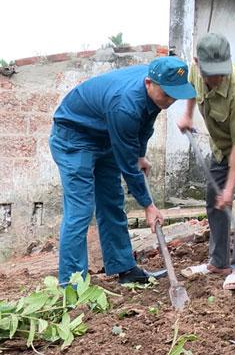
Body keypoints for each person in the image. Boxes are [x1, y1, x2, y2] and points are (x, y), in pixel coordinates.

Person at [50, 56, 196, 284]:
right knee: (81, 210)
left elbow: (145, 124)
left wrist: (140, 155)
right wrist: (148, 205)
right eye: (167, 94)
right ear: (149, 82)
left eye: (175, 94)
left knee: (112, 201)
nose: (170, 100)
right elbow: (127, 165)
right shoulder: (125, 104)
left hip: (104, 134)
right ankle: (71, 283)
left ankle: (125, 268)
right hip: (74, 137)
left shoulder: (156, 91)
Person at [176, 33, 235, 290]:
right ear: (197, 62)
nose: (216, 78)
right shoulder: (196, 72)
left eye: (221, 72)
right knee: (213, 198)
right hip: (221, 141)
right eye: (211, 73)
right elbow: (191, 89)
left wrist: (230, 189)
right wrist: (187, 115)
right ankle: (218, 262)